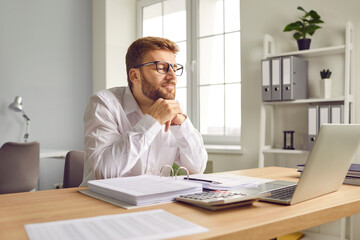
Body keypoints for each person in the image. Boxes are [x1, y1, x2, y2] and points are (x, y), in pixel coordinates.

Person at [80, 36, 208, 186]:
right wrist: (152, 121)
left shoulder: (174, 108)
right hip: (103, 203)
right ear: (135, 75)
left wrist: (182, 126)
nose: (172, 76)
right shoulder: (104, 103)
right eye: (161, 67)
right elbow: (105, 172)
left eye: (175, 68)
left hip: (153, 200)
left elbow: (197, 168)